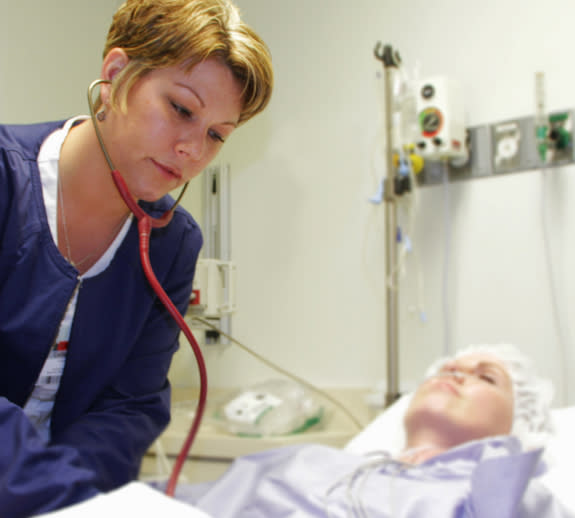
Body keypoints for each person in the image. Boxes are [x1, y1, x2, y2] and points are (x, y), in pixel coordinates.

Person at [0, 1, 273, 516]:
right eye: (181, 109)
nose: (193, 148)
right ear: (116, 74)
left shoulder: (172, 244)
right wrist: (54, 494)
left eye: (217, 134)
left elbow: (128, 408)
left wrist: (75, 505)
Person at [176, 344, 574, 517]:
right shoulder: (305, 460)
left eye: (486, 377)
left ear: (519, 424)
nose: (456, 371)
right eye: (448, 368)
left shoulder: (505, 491)